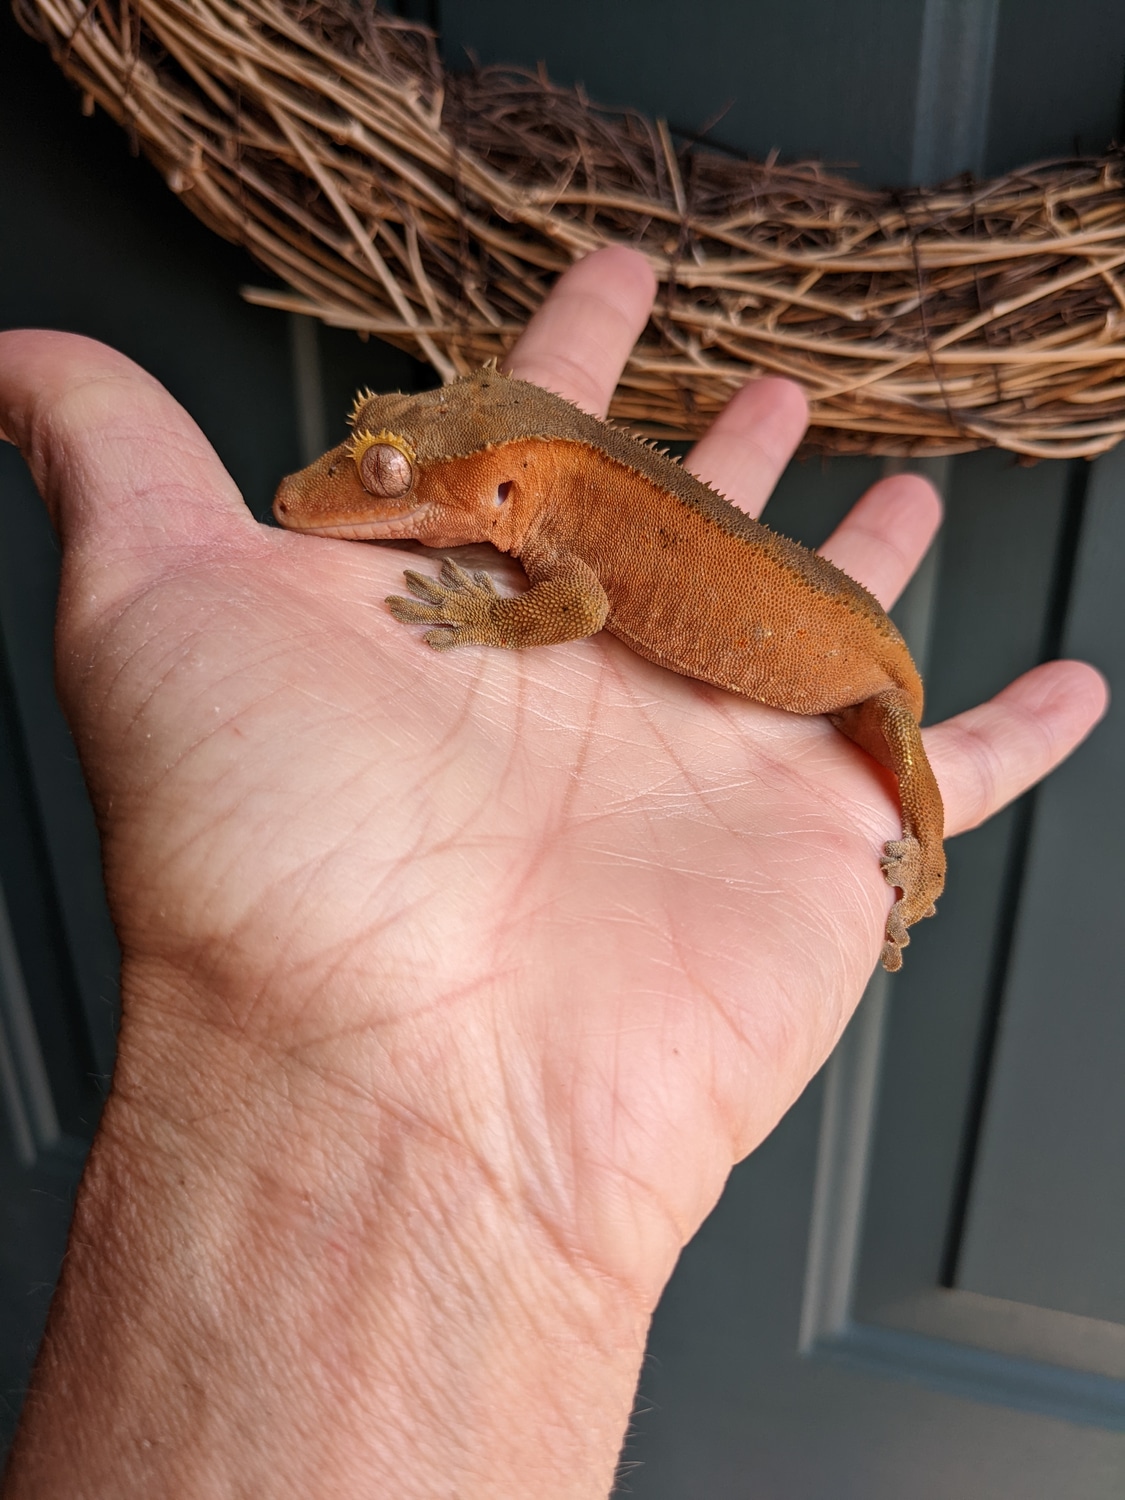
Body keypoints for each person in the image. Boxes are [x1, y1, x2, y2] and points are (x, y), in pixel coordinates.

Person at [0, 247, 1105, 1498]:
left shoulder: (567, 530)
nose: (342, 494)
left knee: (903, 741)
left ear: (511, 481)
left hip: (856, 672)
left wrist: (917, 859)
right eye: (382, 462)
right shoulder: (526, 477)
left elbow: (572, 609)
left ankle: (931, 876)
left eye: (393, 481)